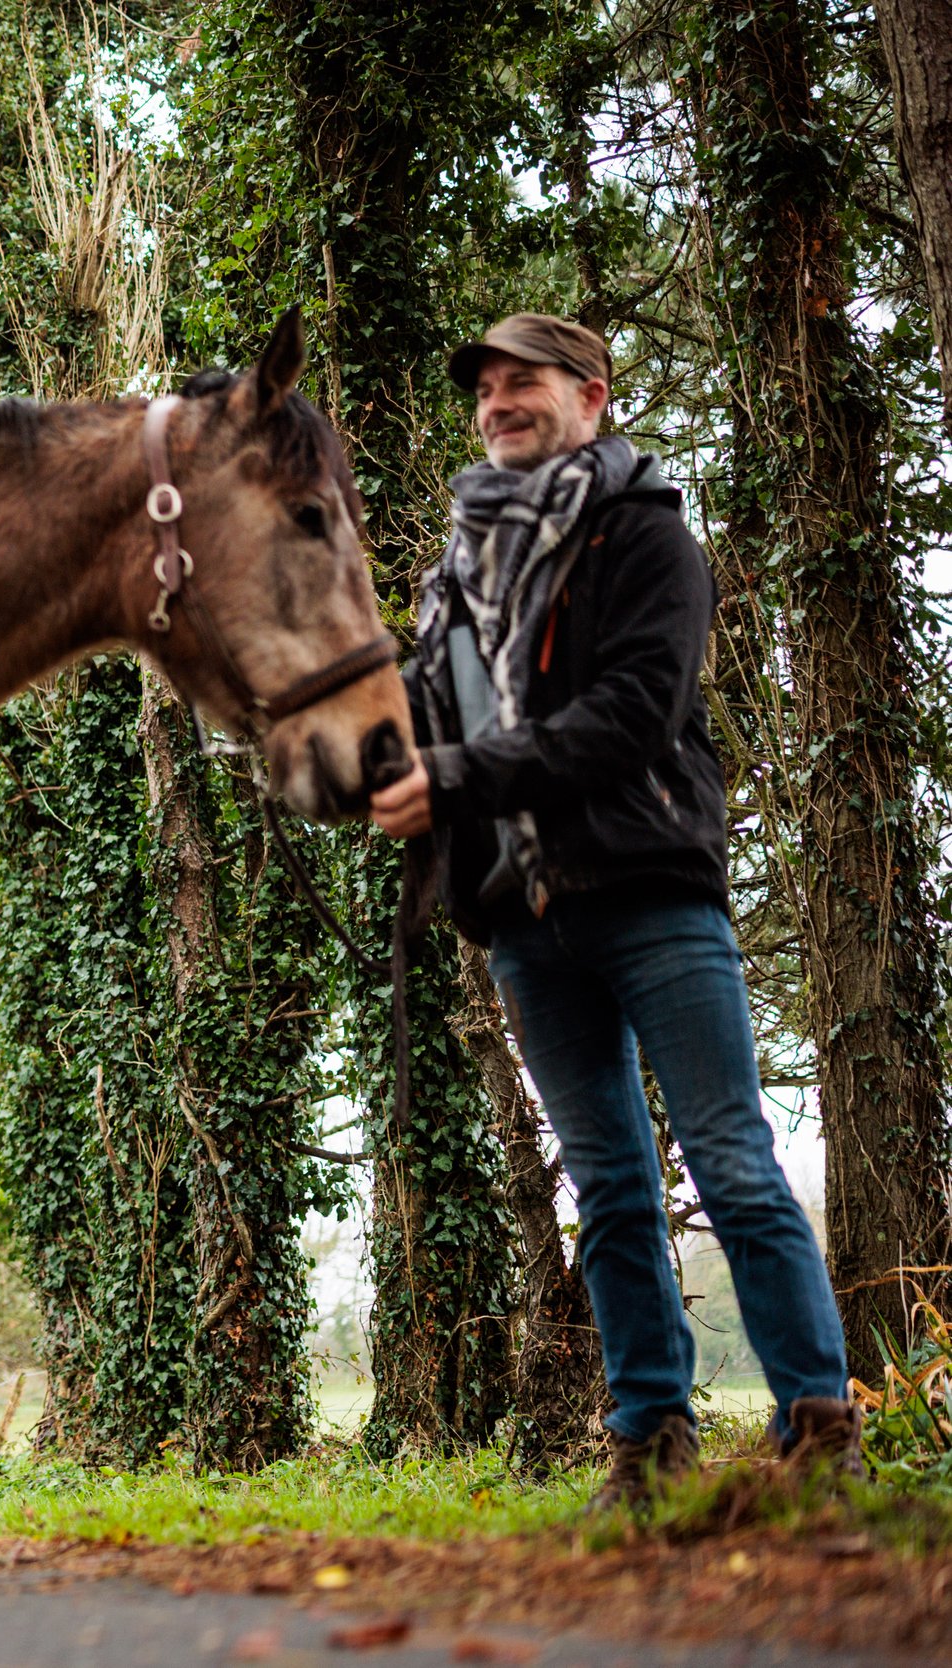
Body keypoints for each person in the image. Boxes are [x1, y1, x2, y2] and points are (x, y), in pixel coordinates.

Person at [370, 313, 857, 1509]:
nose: (497, 403)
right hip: (523, 921)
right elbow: (432, 732)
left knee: (734, 1165)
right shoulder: (455, 578)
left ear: (591, 395)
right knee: (610, 1194)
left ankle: (820, 1436)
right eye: (484, 388)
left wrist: (458, 776)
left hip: (649, 892)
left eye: (522, 381)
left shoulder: (644, 538)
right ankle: (647, 1446)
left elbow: (634, 716)